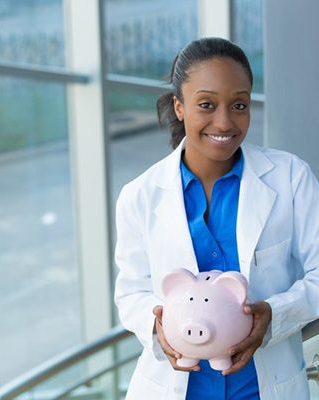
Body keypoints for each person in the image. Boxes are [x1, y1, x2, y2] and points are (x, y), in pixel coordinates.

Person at [114, 37, 319, 400]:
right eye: (206, 104)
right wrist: (158, 325)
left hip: (263, 388)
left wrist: (273, 314)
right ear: (179, 107)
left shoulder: (290, 177)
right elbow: (131, 292)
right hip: (172, 388)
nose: (224, 122)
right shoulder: (140, 195)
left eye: (238, 105)